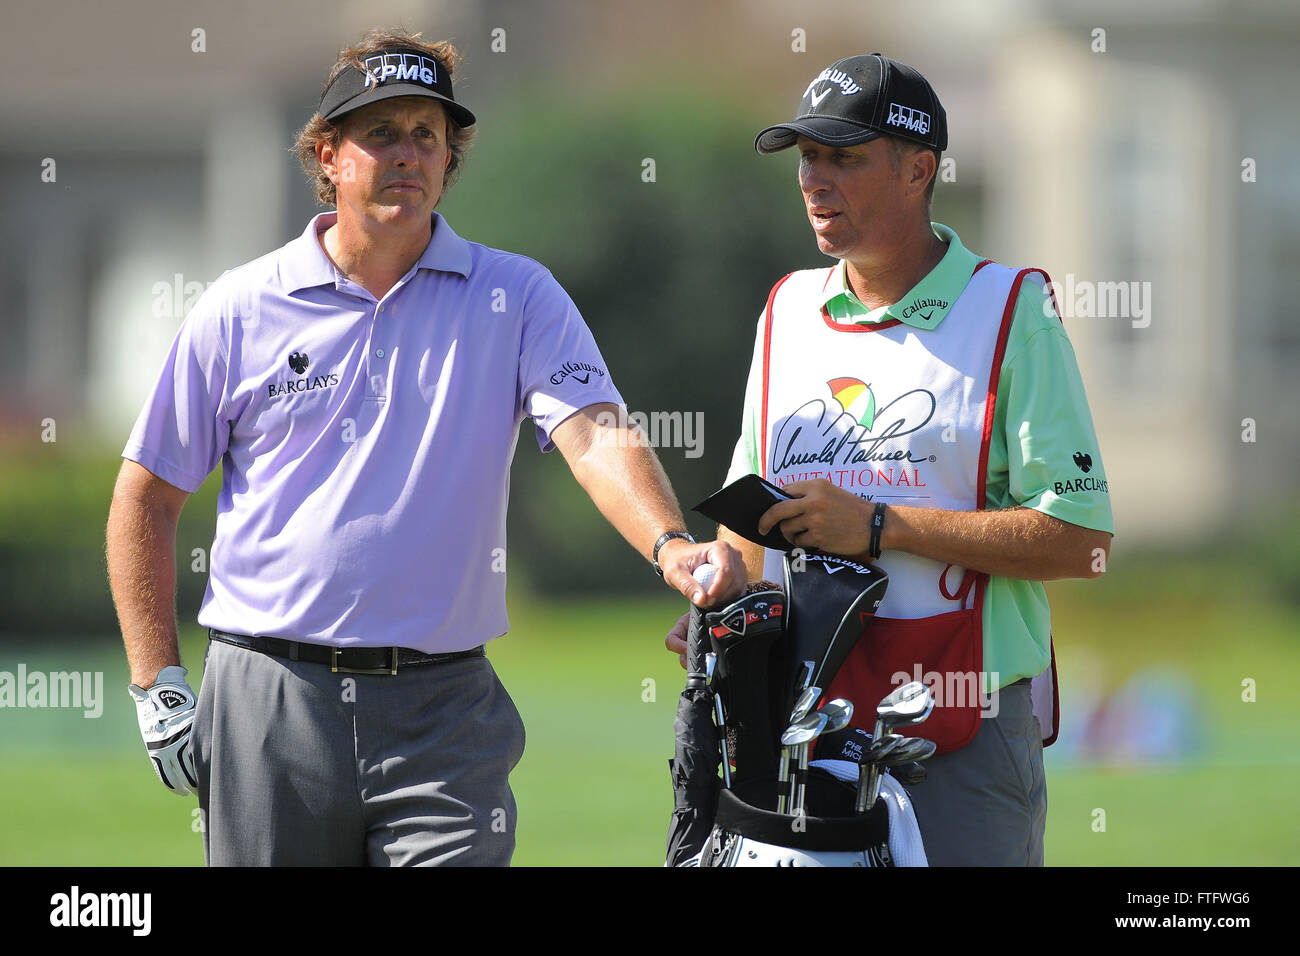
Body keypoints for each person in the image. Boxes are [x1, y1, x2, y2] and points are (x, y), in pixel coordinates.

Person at [106, 27, 743, 867]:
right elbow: (146, 497)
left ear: (449, 159)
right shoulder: (240, 306)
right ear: (329, 156)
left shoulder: (516, 295)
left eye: (426, 136)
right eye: (381, 134)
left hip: (446, 711)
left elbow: (594, 433)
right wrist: (158, 686)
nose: (407, 155)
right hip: (270, 696)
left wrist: (669, 547)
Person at [667, 53, 1114, 865]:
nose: (814, 179)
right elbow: (752, 512)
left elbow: (1080, 541)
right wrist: (723, 587)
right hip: (800, 720)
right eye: (806, 157)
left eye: (843, 157)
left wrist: (882, 526)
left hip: (961, 725)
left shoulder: (1013, 307)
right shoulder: (786, 308)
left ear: (918, 170)